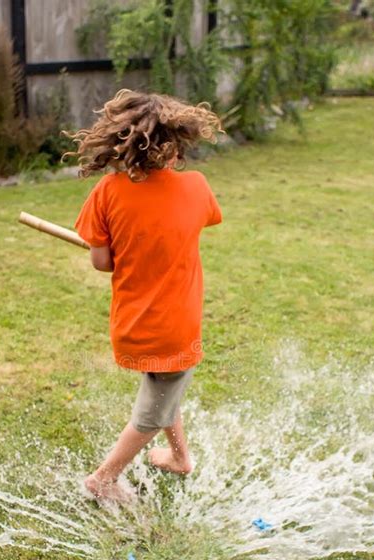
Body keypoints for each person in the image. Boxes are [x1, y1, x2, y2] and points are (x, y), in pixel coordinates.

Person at [69, 89, 222, 503]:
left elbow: (102, 262)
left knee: (164, 388)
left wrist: (120, 244)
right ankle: (104, 478)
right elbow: (201, 219)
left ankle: (179, 457)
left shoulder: (107, 192)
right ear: (176, 145)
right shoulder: (196, 188)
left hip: (134, 323)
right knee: (153, 411)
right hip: (175, 325)